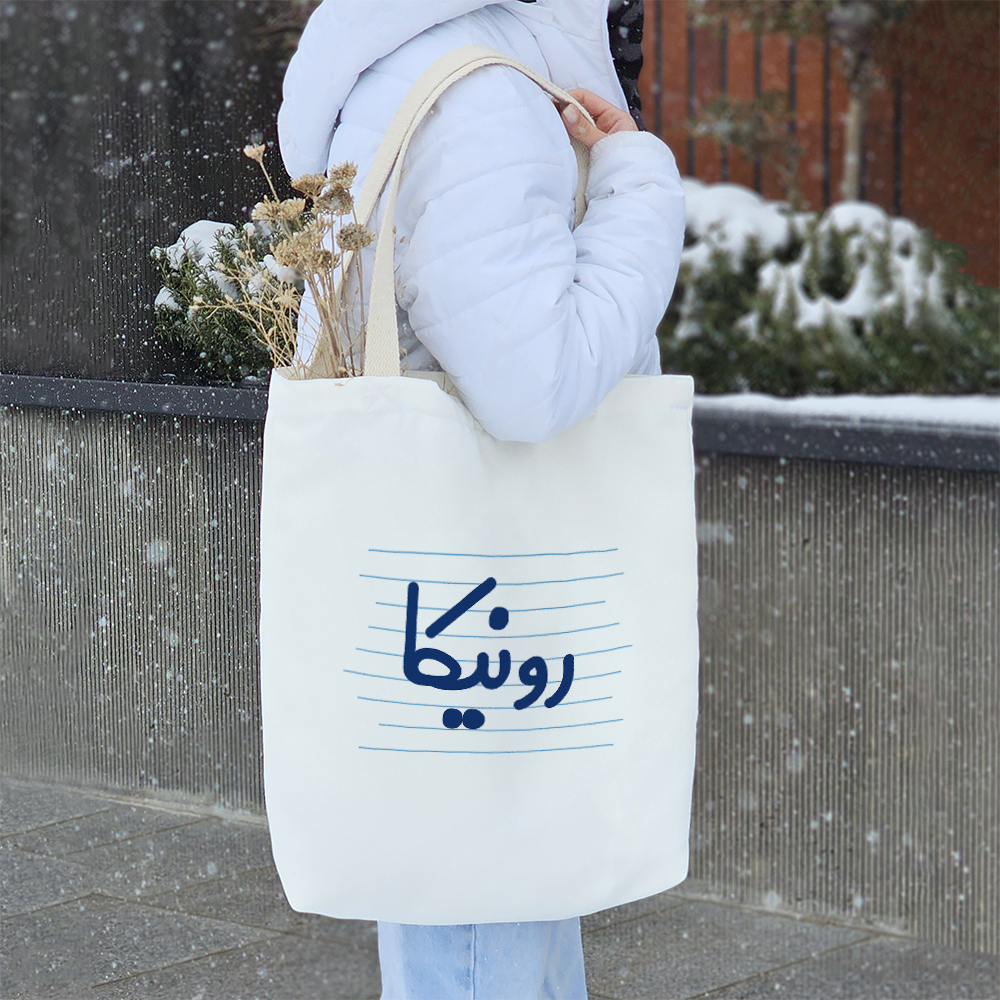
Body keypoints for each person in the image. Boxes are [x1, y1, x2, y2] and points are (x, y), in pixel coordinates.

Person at [277, 1, 685, 996]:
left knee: (486, 894)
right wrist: (637, 185)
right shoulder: (479, 95)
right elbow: (532, 384)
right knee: (483, 916)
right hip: (490, 618)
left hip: (461, 608)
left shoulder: (431, 60)